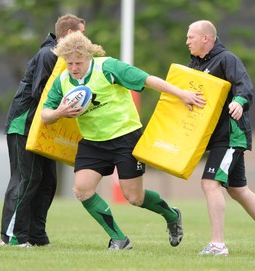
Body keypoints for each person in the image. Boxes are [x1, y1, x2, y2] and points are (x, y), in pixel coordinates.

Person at [41, 31, 206, 250]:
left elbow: (148, 80)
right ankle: (119, 238)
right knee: (82, 189)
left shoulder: (108, 67)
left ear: (89, 56)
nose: (73, 68)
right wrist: (59, 112)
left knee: (134, 197)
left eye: (78, 63)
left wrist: (181, 94)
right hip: (92, 142)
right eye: (69, 63)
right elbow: (45, 114)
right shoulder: (63, 80)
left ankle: (171, 214)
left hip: (125, 138)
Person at [185, 20, 255, 256]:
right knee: (238, 190)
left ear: (206, 38)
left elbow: (245, 87)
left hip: (232, 136)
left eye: (191, 37)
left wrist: (239, 102)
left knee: (210, 183)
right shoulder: (195, 65)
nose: (187, 41)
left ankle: (217, 244)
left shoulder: (226, 59)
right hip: (218, 138)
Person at [0, 14, 86, 248]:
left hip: (44, 128)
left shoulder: (63, 57)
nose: (84, 39)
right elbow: (42, 94)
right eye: (82, 33)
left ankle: (36, 237)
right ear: (69, 34)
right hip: (24, 125)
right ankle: (12, 237)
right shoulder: (49, 54)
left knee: (47, 181)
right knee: (27, 179)